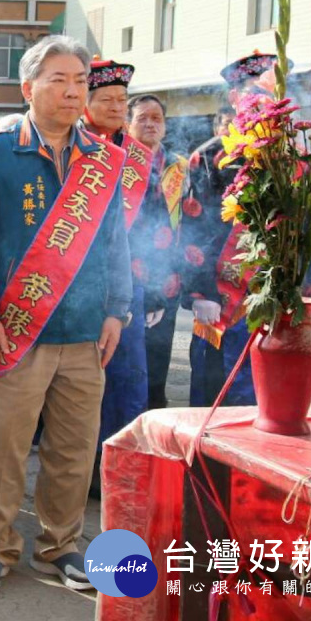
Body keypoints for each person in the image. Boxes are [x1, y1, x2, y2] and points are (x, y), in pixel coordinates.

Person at [0, 35, 132, 595]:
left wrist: (117, 309)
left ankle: (61, 546)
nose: (73, 90)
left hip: (84, 332)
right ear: (29, 88)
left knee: (74, 448)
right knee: (4, 445)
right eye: (59, 79)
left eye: (81, 80)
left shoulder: (104, 160)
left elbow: (115, 242)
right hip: (15, 331)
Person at [180, 53, 311, 407]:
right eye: (252, 92)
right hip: (221, 302)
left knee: (271, 397)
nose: (262, 100)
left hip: (278, 302)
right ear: (234, 99)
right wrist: (199, 293)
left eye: (269, 92)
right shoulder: (211, 158)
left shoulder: (295, 156)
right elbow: (193, 228)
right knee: (215, 395)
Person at [80, 60, 178, 495]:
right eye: (107, 100)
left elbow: (158, 228)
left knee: (127, 381)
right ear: (86, 103)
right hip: (70, 288)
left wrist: (156, 292)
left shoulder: (139, 157)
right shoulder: (71, 144)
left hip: (128, 289)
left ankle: (120, 473)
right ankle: (79, 474)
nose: (117, 107)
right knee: (77, 390)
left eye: (123, 100)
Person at [126, 94, 187, 410]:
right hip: (126, 276)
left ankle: (153, 415)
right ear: (128, 123)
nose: (150, 124)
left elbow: (191, 221)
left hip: (167, 278)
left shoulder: (179, 166)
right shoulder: (118, 161)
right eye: (142, 118)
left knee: (158, 356)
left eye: (156, 118)